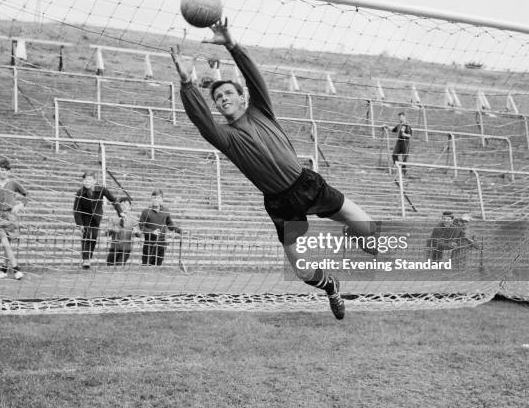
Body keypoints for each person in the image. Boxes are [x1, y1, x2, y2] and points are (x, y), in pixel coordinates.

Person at [169, 18, 382, 320]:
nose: (222, 99)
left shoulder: (261, 111)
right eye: (217, 98)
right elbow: (199, 118)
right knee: (302, 269)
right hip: (279, 203)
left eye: (228, 93)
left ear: (242, 97)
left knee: (365, 225)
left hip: (307, 184)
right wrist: (187, 83)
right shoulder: (225, 137)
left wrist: (232, 45)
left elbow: (255, 79)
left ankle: (369, 247)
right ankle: (331, 286)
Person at [73, 170, 127, 269]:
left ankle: (88, 257)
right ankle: (86, 260)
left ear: (94, 181)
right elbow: (76, 210)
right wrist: (79, 224)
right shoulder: (80, 192)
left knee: (93, 237)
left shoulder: (101, 189)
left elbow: (113, 200)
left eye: (89, 179)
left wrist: (120, 212)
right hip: (84, 217)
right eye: (85, 180)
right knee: (86, 236)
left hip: (96, 218)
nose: (86, 182)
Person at [0, 158, 27, 280]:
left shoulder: (13, 183)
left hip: (11, 217)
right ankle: (16, 269)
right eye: (1, 170)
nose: (4, 172)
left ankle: (3, 270)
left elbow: (27, 194)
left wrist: (21, 205)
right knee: (5, 242)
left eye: (6, 170)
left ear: (9, 172)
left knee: (7, 245)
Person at [138, 189, 182, 266]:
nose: (156, 200)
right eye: (154, 197)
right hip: (149, 244)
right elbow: (141, 227)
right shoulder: (146, 211)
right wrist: (151, 232)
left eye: (158, 198)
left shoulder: (166, 211)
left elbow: (170, 224)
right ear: (151, 198)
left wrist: (179, 231)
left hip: (161, 244)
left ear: (162, 199)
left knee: (158, 267)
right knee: (146, 267)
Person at [106, 196, 140, 266]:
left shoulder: (134, 220)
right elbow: (106, 233)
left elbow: (140, 234)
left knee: (119, 267)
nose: (124, 207)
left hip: (125, 249)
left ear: (130, 208)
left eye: (127, 205)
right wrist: (112, 230)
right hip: (114, 248)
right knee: (109, 267)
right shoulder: (113, 218)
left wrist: (136, 232)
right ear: (119, 207)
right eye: (122, 205)